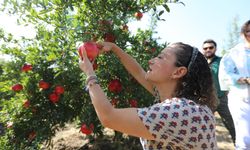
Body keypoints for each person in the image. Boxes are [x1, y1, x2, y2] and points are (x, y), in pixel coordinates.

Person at [79, 42, 218, 149]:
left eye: (160, 57)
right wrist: (114, 48)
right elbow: (139, 72)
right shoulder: (186, 103)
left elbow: (108, 117)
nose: (151, 60)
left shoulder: (179, 111)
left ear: (178, 72)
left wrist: (90, 75)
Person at [219, 20, 250, 149]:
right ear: (243, 34)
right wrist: (245, 79)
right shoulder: (234, 53)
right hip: (242, 99)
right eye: (248, 31)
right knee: (245, 137)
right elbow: (225, 74)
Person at [202, 39, 235, 144]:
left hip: (221, 98)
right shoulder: (200, 63)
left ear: (215, 48)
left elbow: (231, 75)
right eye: (205, 48)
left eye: (211, 47)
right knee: (203, 124)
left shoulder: (222, 61)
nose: (208, 50)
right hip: (206, 99)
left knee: (230, 122)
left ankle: (238, 143)